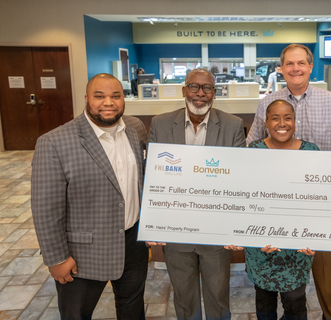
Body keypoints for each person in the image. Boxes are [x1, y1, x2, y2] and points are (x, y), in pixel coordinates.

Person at [247, 44, 331, 320]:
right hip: (275, 209)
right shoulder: (266, 102)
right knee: (281, 274)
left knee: (324, 273)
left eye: (301, 63)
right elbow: (250, 151)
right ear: (281, 68)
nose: (295, 68)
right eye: (289, 64)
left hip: (317, 207)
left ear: (310, 67)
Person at [31, 73, 149, 319]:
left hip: (132, 244)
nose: (108, 102)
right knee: (76, 314)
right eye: (100, 96)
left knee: (132, 308)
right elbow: (46, 207)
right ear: (86, 99)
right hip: (82, 253)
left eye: (115, 96)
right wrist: (56, 257)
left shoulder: (135, 128)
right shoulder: (54, 142)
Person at [147, 68, 246, 320]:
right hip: (176, 228)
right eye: (194, 87)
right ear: (184, 90)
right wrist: (153, 222)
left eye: (207, 88)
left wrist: (235, 227)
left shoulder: (233, 125)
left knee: (218, 295)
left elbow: (238, 179)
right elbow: (152, 177)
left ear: (215, 92)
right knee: (184, 296)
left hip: (215, 229)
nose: (200, 94)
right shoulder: (160, 124)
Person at [227, 99, 316, 320]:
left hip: (297, 248)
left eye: (287, 117)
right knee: (264, 303)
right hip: (261, 247)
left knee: (295, 305)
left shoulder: (312, 152)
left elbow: (318, 202)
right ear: (266, 121)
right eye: (275, 118)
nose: (281, 123)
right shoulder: (252, 151)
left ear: (295, 121)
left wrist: (317, 236)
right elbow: (243, 195)